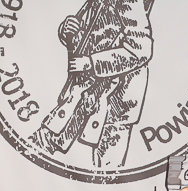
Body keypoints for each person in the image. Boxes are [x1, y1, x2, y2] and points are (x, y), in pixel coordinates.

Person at [30, 0, 153, 168]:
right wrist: (67, 30)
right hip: (84, 90)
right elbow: (89, 34)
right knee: (44, 142)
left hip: (116, 99)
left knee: (107, 166)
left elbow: (140, 50)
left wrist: (91, 63)